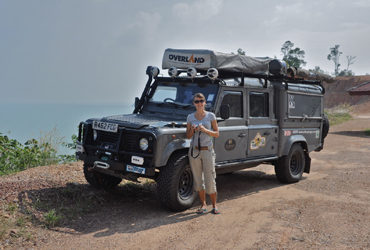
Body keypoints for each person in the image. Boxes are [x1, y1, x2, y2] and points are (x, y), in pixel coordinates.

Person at [186, 93, 220, 214]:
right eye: (197, 101)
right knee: (198, 180)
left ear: (205, 102)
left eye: (201, 101)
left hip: (207, 151)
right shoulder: (190, 117)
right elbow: (188, 136)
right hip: (195, 151)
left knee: (210, 178)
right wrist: (192, 129)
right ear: (194, 103)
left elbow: (217, 133)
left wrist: (205, 130)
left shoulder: (211, 116)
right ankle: (203, 205)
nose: (199, 103)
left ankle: (215, 206)